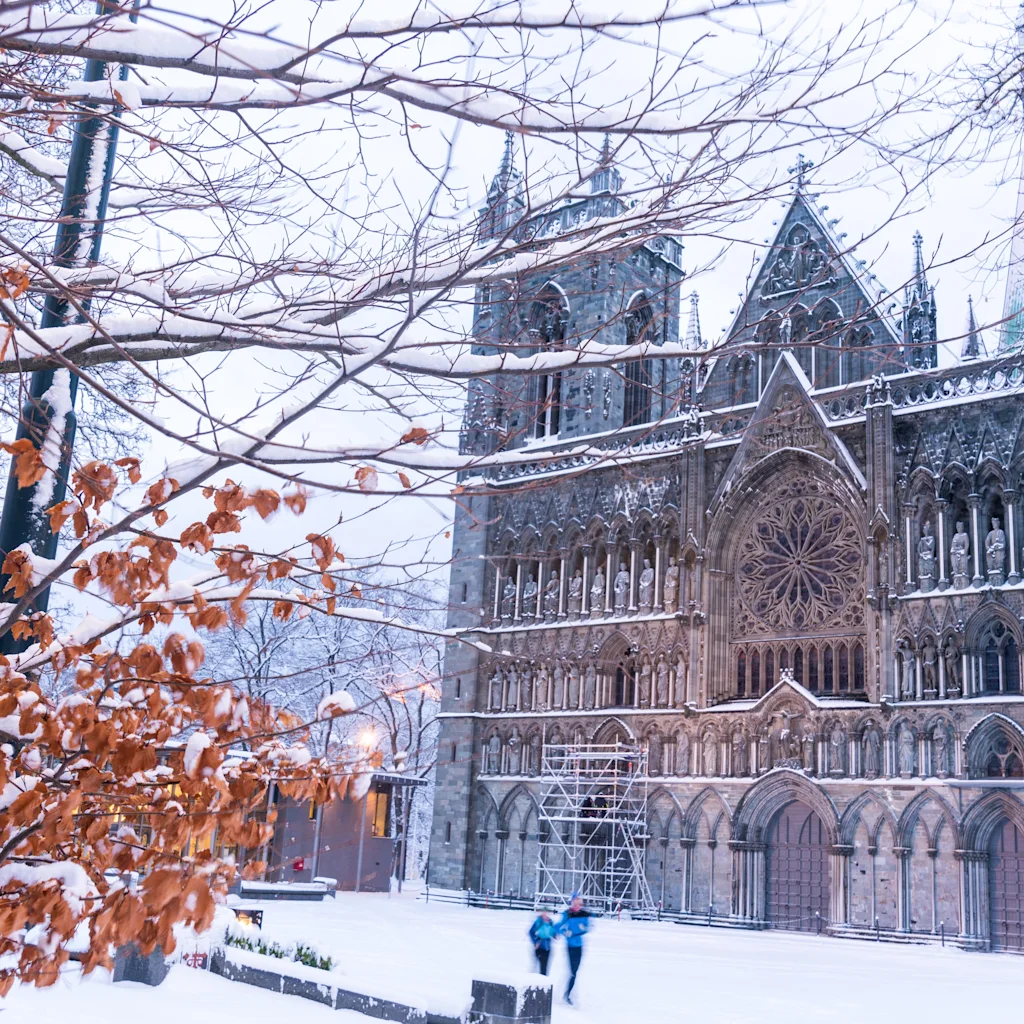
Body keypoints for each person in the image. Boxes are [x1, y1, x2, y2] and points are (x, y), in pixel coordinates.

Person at [557, 895, 593, 1005]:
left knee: (575, 971)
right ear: (572, 902)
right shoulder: (567, 913)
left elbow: (589, 927)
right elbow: (558, 926)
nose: (578, 905)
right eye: (576, 903)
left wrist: (584, 928)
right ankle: (566, 995)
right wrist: (564, 932)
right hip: (570, 945)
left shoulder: (583, 914)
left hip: (579, 946)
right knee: (572, 972)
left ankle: (568, 993)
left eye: (579, 903)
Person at [528, 911, 555, 976]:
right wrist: (535, 942)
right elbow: (531, 932)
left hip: (547, 947)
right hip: (539, 946)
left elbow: (552, 932)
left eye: (547, 912)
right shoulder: (538, 922)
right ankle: (532, 981)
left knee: (544, 967)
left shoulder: (550, 922)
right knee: (535, 966)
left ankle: (543, 982)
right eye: (544, 913)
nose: (545, 914)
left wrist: (555, 935)